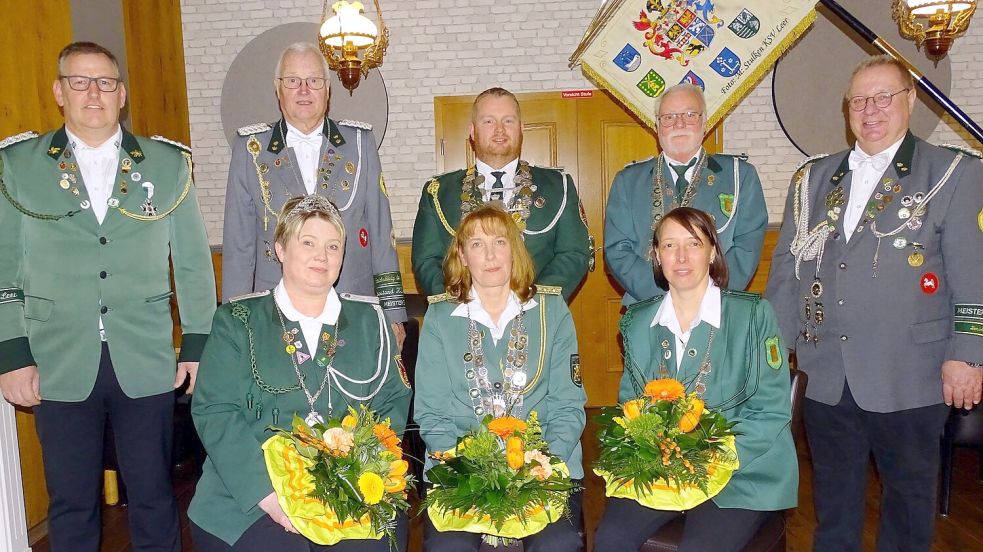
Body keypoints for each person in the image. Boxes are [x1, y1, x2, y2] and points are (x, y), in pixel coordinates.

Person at [0, 41, 216, 552]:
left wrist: (198, 347)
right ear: (59, 91)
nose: (93, 92)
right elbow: (4, 266)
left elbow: (190, 264)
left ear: (122, 95)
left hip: (145, 357)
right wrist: (12, 354)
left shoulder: (167, 164)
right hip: (56, 359)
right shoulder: (18, 165)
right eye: (80, 81)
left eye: (105, 82)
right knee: (71, 503)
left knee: (154, 496)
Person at [765, 55, 983, 552]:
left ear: (909, 101)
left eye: (884, 96)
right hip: (826, 370)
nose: (871, 109)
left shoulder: (952, 172)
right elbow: (786, 273)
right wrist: (772, 356)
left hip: (910, 371)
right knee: (833, 500)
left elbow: (974, 273)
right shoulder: (813, 179)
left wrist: (967, 355)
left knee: (908, 503)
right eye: (860, 100)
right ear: (847, 110)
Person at [189, 195, 412, 551]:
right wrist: (269, 498)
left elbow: (392, 402)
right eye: (307, 243)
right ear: (280, 248)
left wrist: (360, 472)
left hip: (348, 489)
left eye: (332, 246)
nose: (321, 256)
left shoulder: (372, 322)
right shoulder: (237, 321)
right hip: (249, 495)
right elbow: (214, 412)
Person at [595, 207, 796, 551]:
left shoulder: (752, 315)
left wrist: (710, 458)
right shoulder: (637, 322)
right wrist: (652, 450)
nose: (682, 256)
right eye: (670, 246)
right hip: (661, 468)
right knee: (610, 539)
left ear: (713, 251)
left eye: (694, 243)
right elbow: (630, 406)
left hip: (740, 473)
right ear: (657, 255)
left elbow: (771, 411)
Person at [415, 204, 587, 551]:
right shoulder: (439, 316)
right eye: (476, 244)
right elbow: (432, 414)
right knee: (449, 548)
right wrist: (466, 467)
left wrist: (542, 464)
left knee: (559, 545)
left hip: (543, 467)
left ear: (515, 249)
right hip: (461, 469)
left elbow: (569, 407)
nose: (490, 254)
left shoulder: (551, 310)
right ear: (462, 256)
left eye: (499, 241)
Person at [222, 41, 407, 347]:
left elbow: (381, 232)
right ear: (278, 89)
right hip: (276, 313)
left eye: (314, 81)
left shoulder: (360, 143)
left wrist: (394, 313)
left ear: (328, 89)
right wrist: (236, 322)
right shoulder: (250, 149)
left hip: (353, 307)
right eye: (293, 81)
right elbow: (239, 246)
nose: (304, 90)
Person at [412, 87, 590, 302]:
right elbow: (426, 260)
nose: (499, 130)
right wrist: (458, 304)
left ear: (521, 128)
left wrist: (532, 303)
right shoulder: (439, 191)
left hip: (538, 317)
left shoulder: (558, 185)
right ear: (472, 131)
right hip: (461, 318)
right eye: (488, 121)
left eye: (508, 121)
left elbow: (574, 254)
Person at [605, 83, 767, 303]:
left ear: (705, 122)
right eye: (669, 117)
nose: (679, 124)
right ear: (657, 125)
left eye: (690, 115)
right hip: (647, 307)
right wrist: (666, 300)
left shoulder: (739, 176)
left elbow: (747, 246)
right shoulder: (628, 181)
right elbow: (618, 250)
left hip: (719, 307)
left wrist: (706, 299)